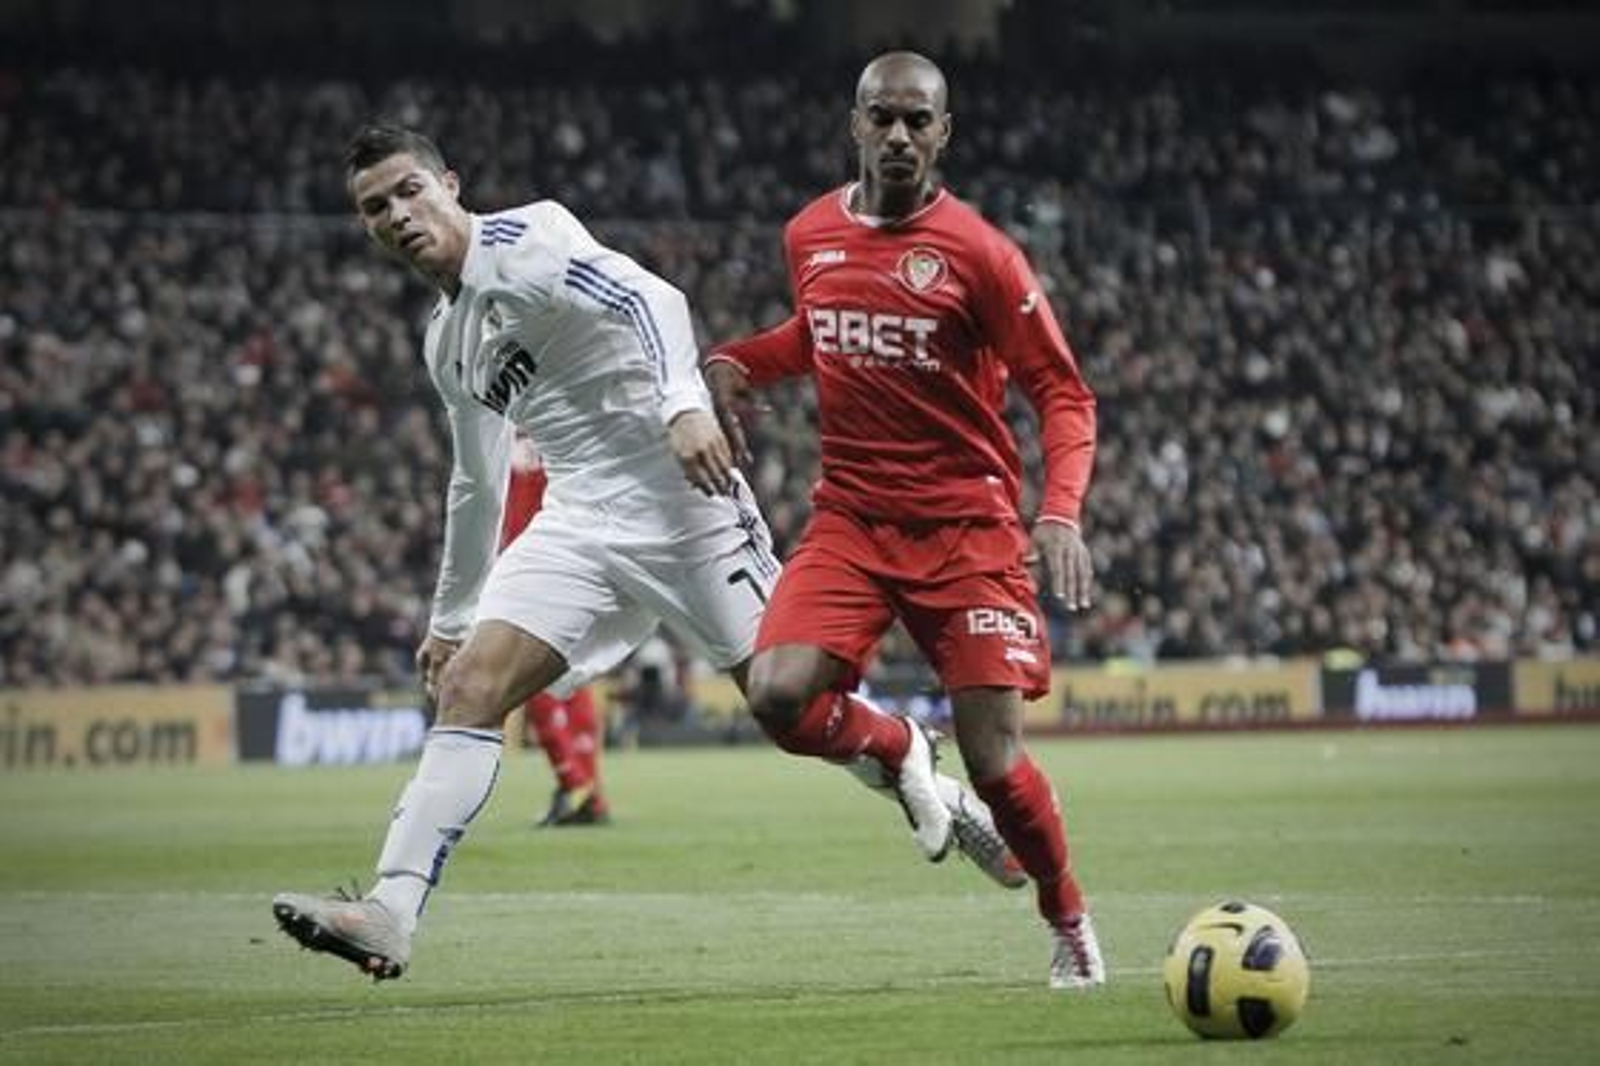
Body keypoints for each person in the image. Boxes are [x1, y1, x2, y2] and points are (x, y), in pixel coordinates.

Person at [272, 124, 1018, 982]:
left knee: (792, 714)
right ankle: (389, 912)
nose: (398, 214)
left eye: (410, 191)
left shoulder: (534, 239)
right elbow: (474, 483)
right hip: (578, 522)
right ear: (364, 229)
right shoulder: (447, 342)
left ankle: (901, 748)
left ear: (450, 183)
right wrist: (450, 619)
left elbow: (651, 299)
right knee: (471, 685)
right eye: (376, 207)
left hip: (685, 505)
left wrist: (682, 405)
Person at [704, 51, 1106, 990]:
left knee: (999, 768)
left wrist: (1060, 512)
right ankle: (896, 746)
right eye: (880, 117)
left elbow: (1063, 391)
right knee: (774, 695)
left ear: (943, 134)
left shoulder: (981, 253)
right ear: (854, 124)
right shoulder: (809, 233)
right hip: (850, 518)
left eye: (915, 121)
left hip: (967, 529)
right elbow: (820, 331)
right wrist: (739, 361)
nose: (896, 135)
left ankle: (1069, 916)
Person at [501, 435, 609, 827]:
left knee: (531, 678)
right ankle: (590, 791)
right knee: (572, 676)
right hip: (576, 558)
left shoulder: (505, 425)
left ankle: (574, 781)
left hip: (533, 563)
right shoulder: (565, 424)